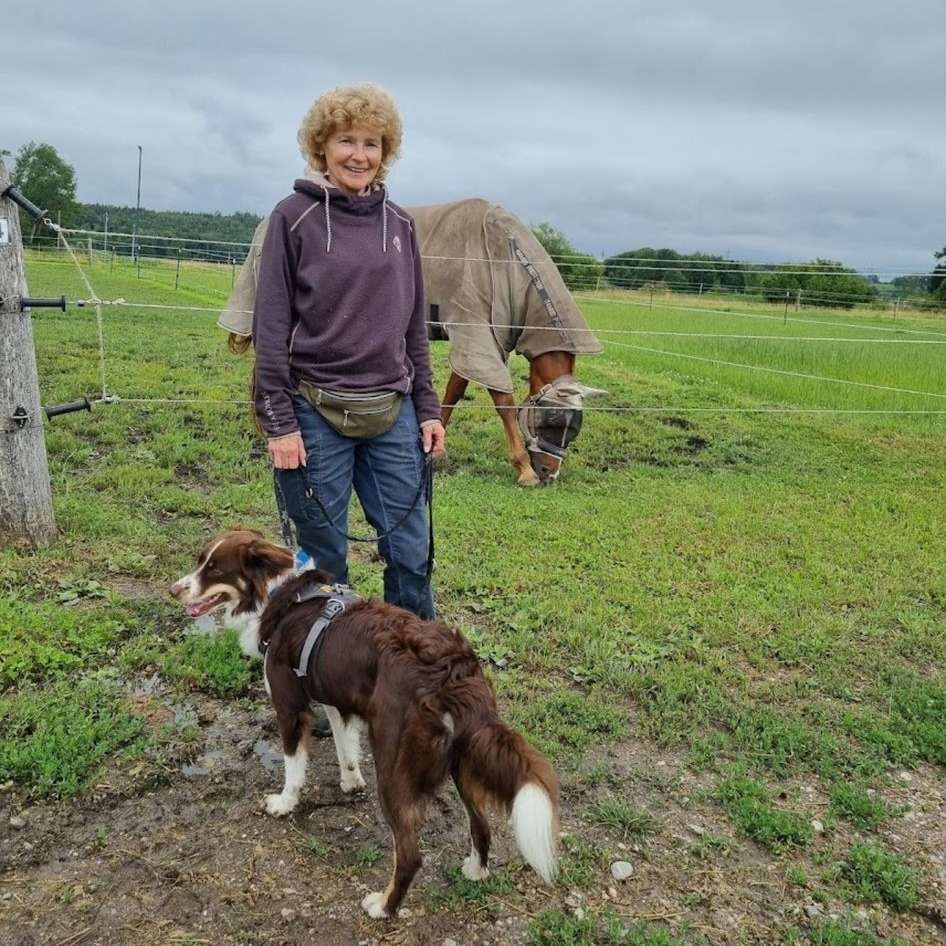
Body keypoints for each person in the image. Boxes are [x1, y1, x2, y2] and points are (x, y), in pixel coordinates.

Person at [252, 84, 445, 628]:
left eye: (372, 143)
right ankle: (322, 668)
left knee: (410, 549)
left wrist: (428, 409)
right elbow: (271, 327)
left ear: (386, 151)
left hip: (392, 411)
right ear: (322, 148)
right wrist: (279, 423)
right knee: (324, 558)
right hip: (314, 411)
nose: (359, 154)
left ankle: (412, 658)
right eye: (346, 141)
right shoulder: (292, 219)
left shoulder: (401, 226)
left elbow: (414, 328)